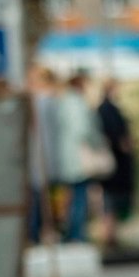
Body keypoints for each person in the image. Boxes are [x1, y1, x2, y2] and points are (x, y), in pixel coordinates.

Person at [52, 71, 108, 243]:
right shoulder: (76, 103)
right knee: (79, 198)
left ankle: (72, 232)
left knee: (72, 197)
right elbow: (82, 130)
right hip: (79, 159)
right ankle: (77, 234)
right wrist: (98, 141)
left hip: (68, 158)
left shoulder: (62, 103)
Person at [97, 79, 138, 251]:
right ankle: (109, 234)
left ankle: (111, 233)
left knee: (112, 199)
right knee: (111, 199)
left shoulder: (109, 109)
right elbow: (112, 134)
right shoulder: (107, 110)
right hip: (114, 163)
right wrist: (122, 143)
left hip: (117, 163)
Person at [27, 66, 60, 243]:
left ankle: (37, 231)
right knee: (37, 197)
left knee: (39, 196)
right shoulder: (42, 101)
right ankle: (35, 232)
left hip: (40, 154)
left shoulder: (42, 101)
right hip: (39, 154)